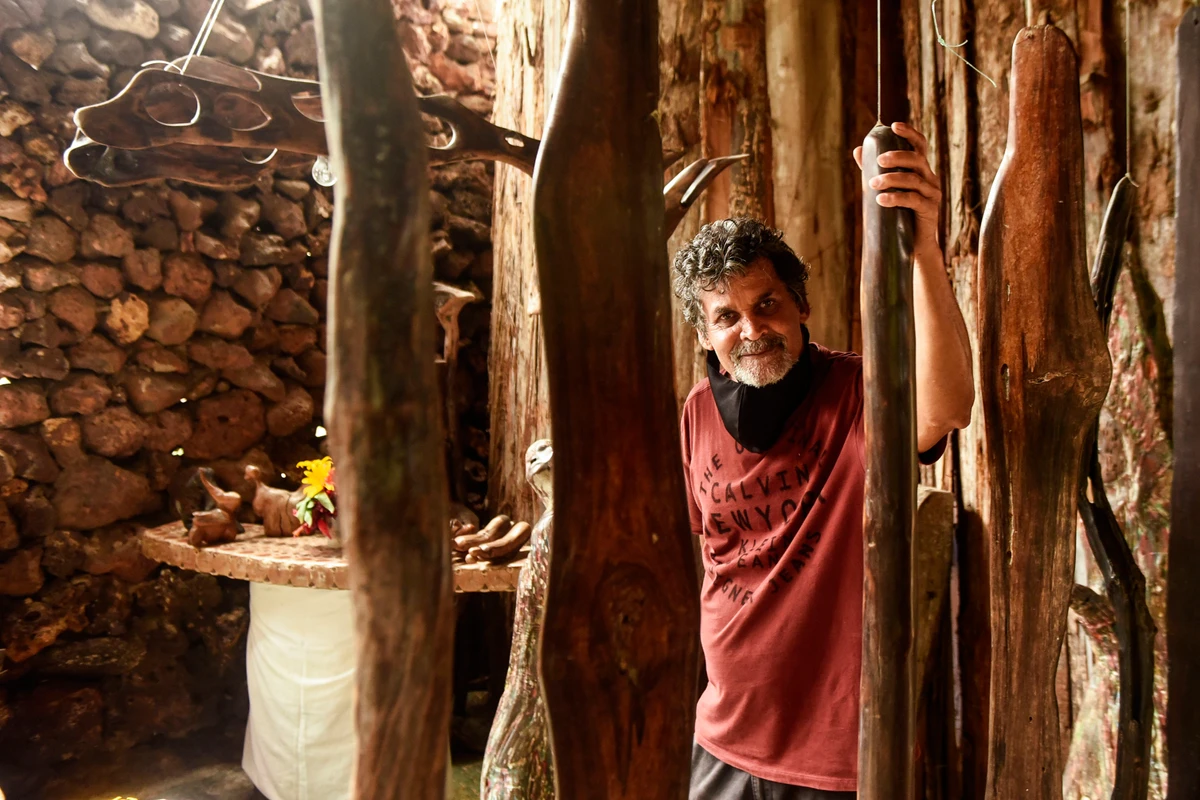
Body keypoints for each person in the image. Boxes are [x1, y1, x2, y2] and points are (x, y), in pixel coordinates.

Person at [673, 122, 973, 799]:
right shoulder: (696, 412)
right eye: (726, 317)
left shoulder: (861, 393)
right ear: (706, 336)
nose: (751, 329)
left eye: (767, 304)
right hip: (722, 738)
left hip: (839, 757)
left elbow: (948, 408)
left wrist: (923, 247)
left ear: (801, 306)